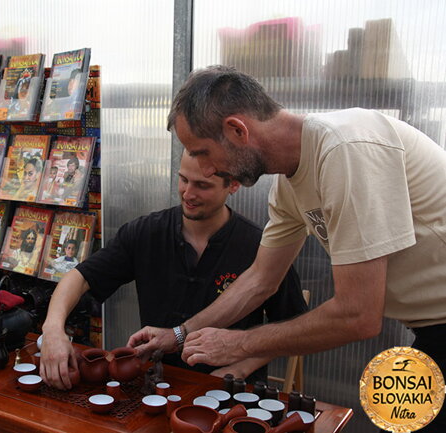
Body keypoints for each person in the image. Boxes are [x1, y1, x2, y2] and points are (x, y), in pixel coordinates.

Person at [128, 65, 446, 432]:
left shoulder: (345, 149)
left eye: (202, 153)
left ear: (237, 130)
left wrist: (243, 344)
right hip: (430, 327)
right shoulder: (288, 187)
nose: (207, 170)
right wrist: (179, 335)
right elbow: (261, 279)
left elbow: (359, 315)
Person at [40, 152, 307, 390]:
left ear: (233, 184)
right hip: (158, 382)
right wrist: (53, 330)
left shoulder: (260, 248)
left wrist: (242, 367)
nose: (188, 194)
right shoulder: (146, 232)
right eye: (183, 180)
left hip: (232, 387)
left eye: (202, 185)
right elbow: (80, 277)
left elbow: (291, 327)